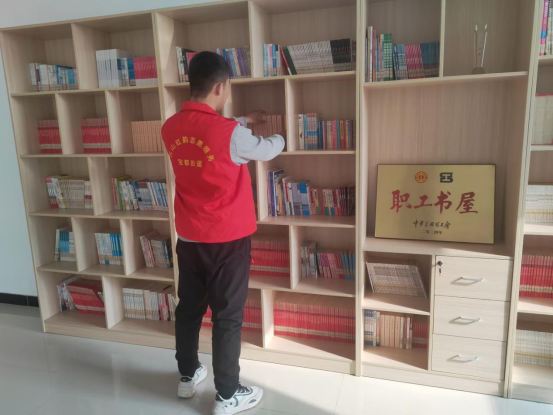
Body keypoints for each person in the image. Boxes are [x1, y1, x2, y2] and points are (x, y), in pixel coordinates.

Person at [161, 51, 285, 415]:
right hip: (227, 240)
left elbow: (208, 131)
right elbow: (266, 149)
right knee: (227, 317)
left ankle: (187, 376)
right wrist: (282, 135)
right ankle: (228, 395)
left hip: (189, 238)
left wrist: (244, 120)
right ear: (221, 87)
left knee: (189, 309)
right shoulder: (232, 135)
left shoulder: (170, 127)